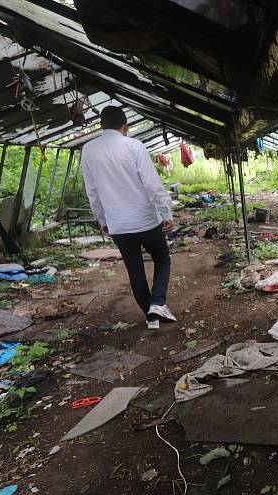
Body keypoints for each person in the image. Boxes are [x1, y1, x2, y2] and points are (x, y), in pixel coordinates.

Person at [81, 106, 176, 330]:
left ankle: (150, 317)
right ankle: (158, 302)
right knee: (162, 259)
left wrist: (102, 220)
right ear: (126, 126)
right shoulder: (133, 145)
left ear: (101, 126)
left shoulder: (88, 150)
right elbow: (152, 184)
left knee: (135, 270)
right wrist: (166, 213)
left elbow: (92, 191)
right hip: (145, 219)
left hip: (118, 224)